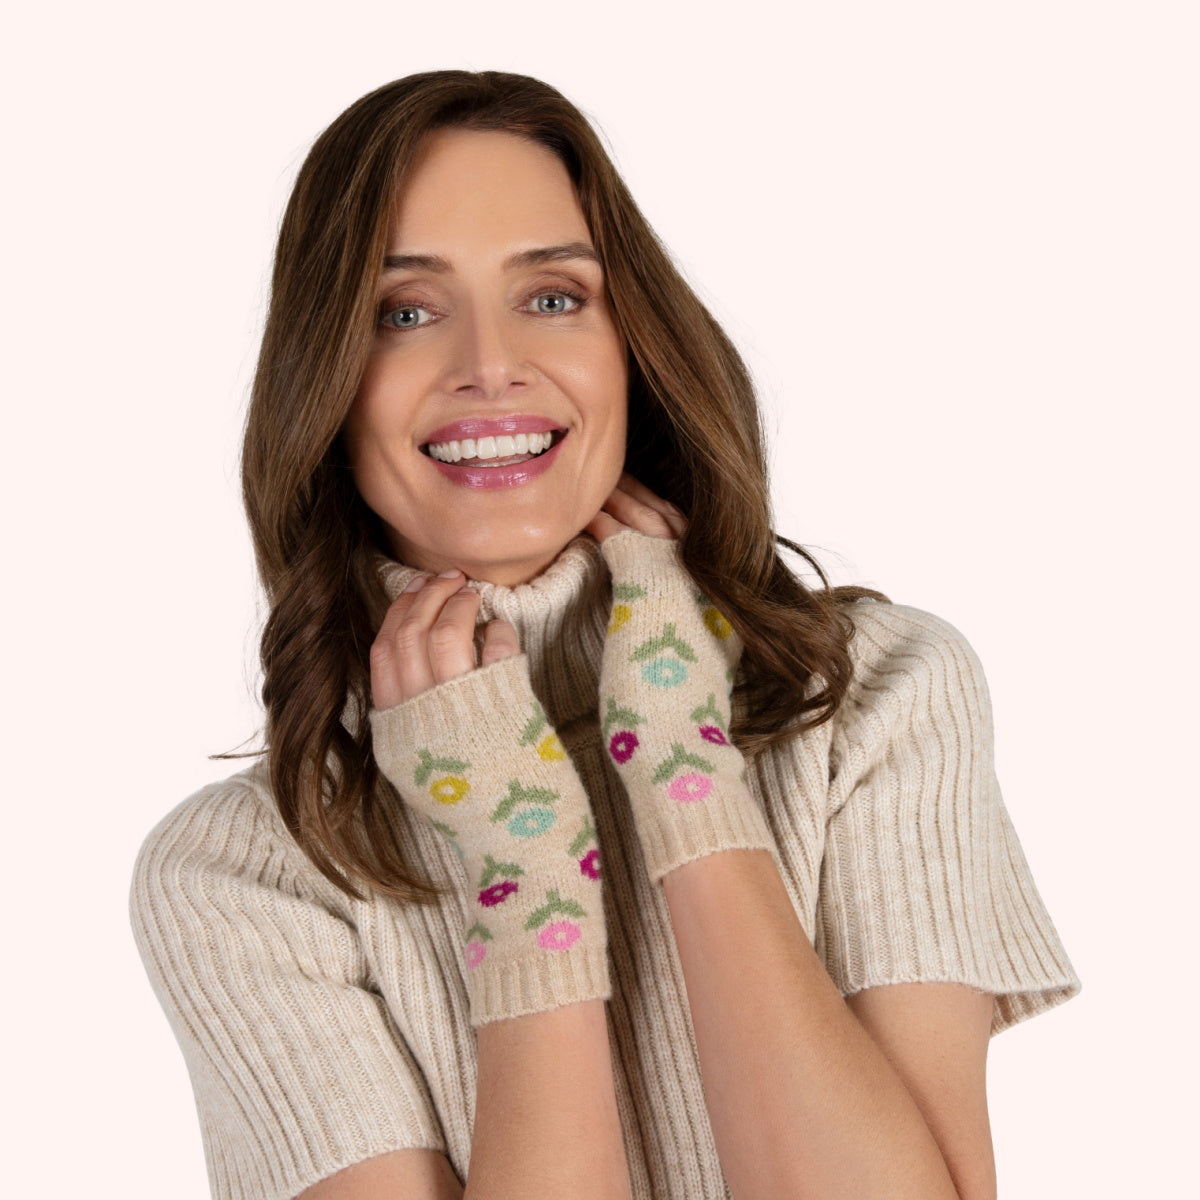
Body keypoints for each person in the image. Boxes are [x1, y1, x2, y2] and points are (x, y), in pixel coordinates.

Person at [130, 70, 1079, 1200]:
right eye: (406, 312)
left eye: (552, 296)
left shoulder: (871, 696)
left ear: (631, 345)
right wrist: (524, 874)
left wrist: (684, 771)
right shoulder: (248, 876)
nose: (490, 363)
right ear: (326, 387)